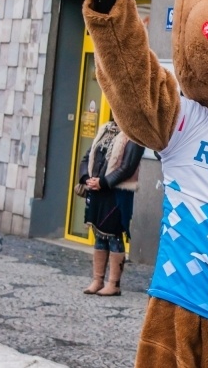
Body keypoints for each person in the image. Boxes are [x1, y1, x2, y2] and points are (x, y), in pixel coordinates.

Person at [79, 119, 144, 297]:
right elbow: (88, 155)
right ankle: (97, 280)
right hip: (97, 190)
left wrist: (104, 182)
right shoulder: (105, 129)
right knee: (98, 234)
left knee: (114, 235)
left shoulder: (134, 133)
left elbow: (127, 167)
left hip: (117, 193)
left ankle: (114, 284)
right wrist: (87, 178)